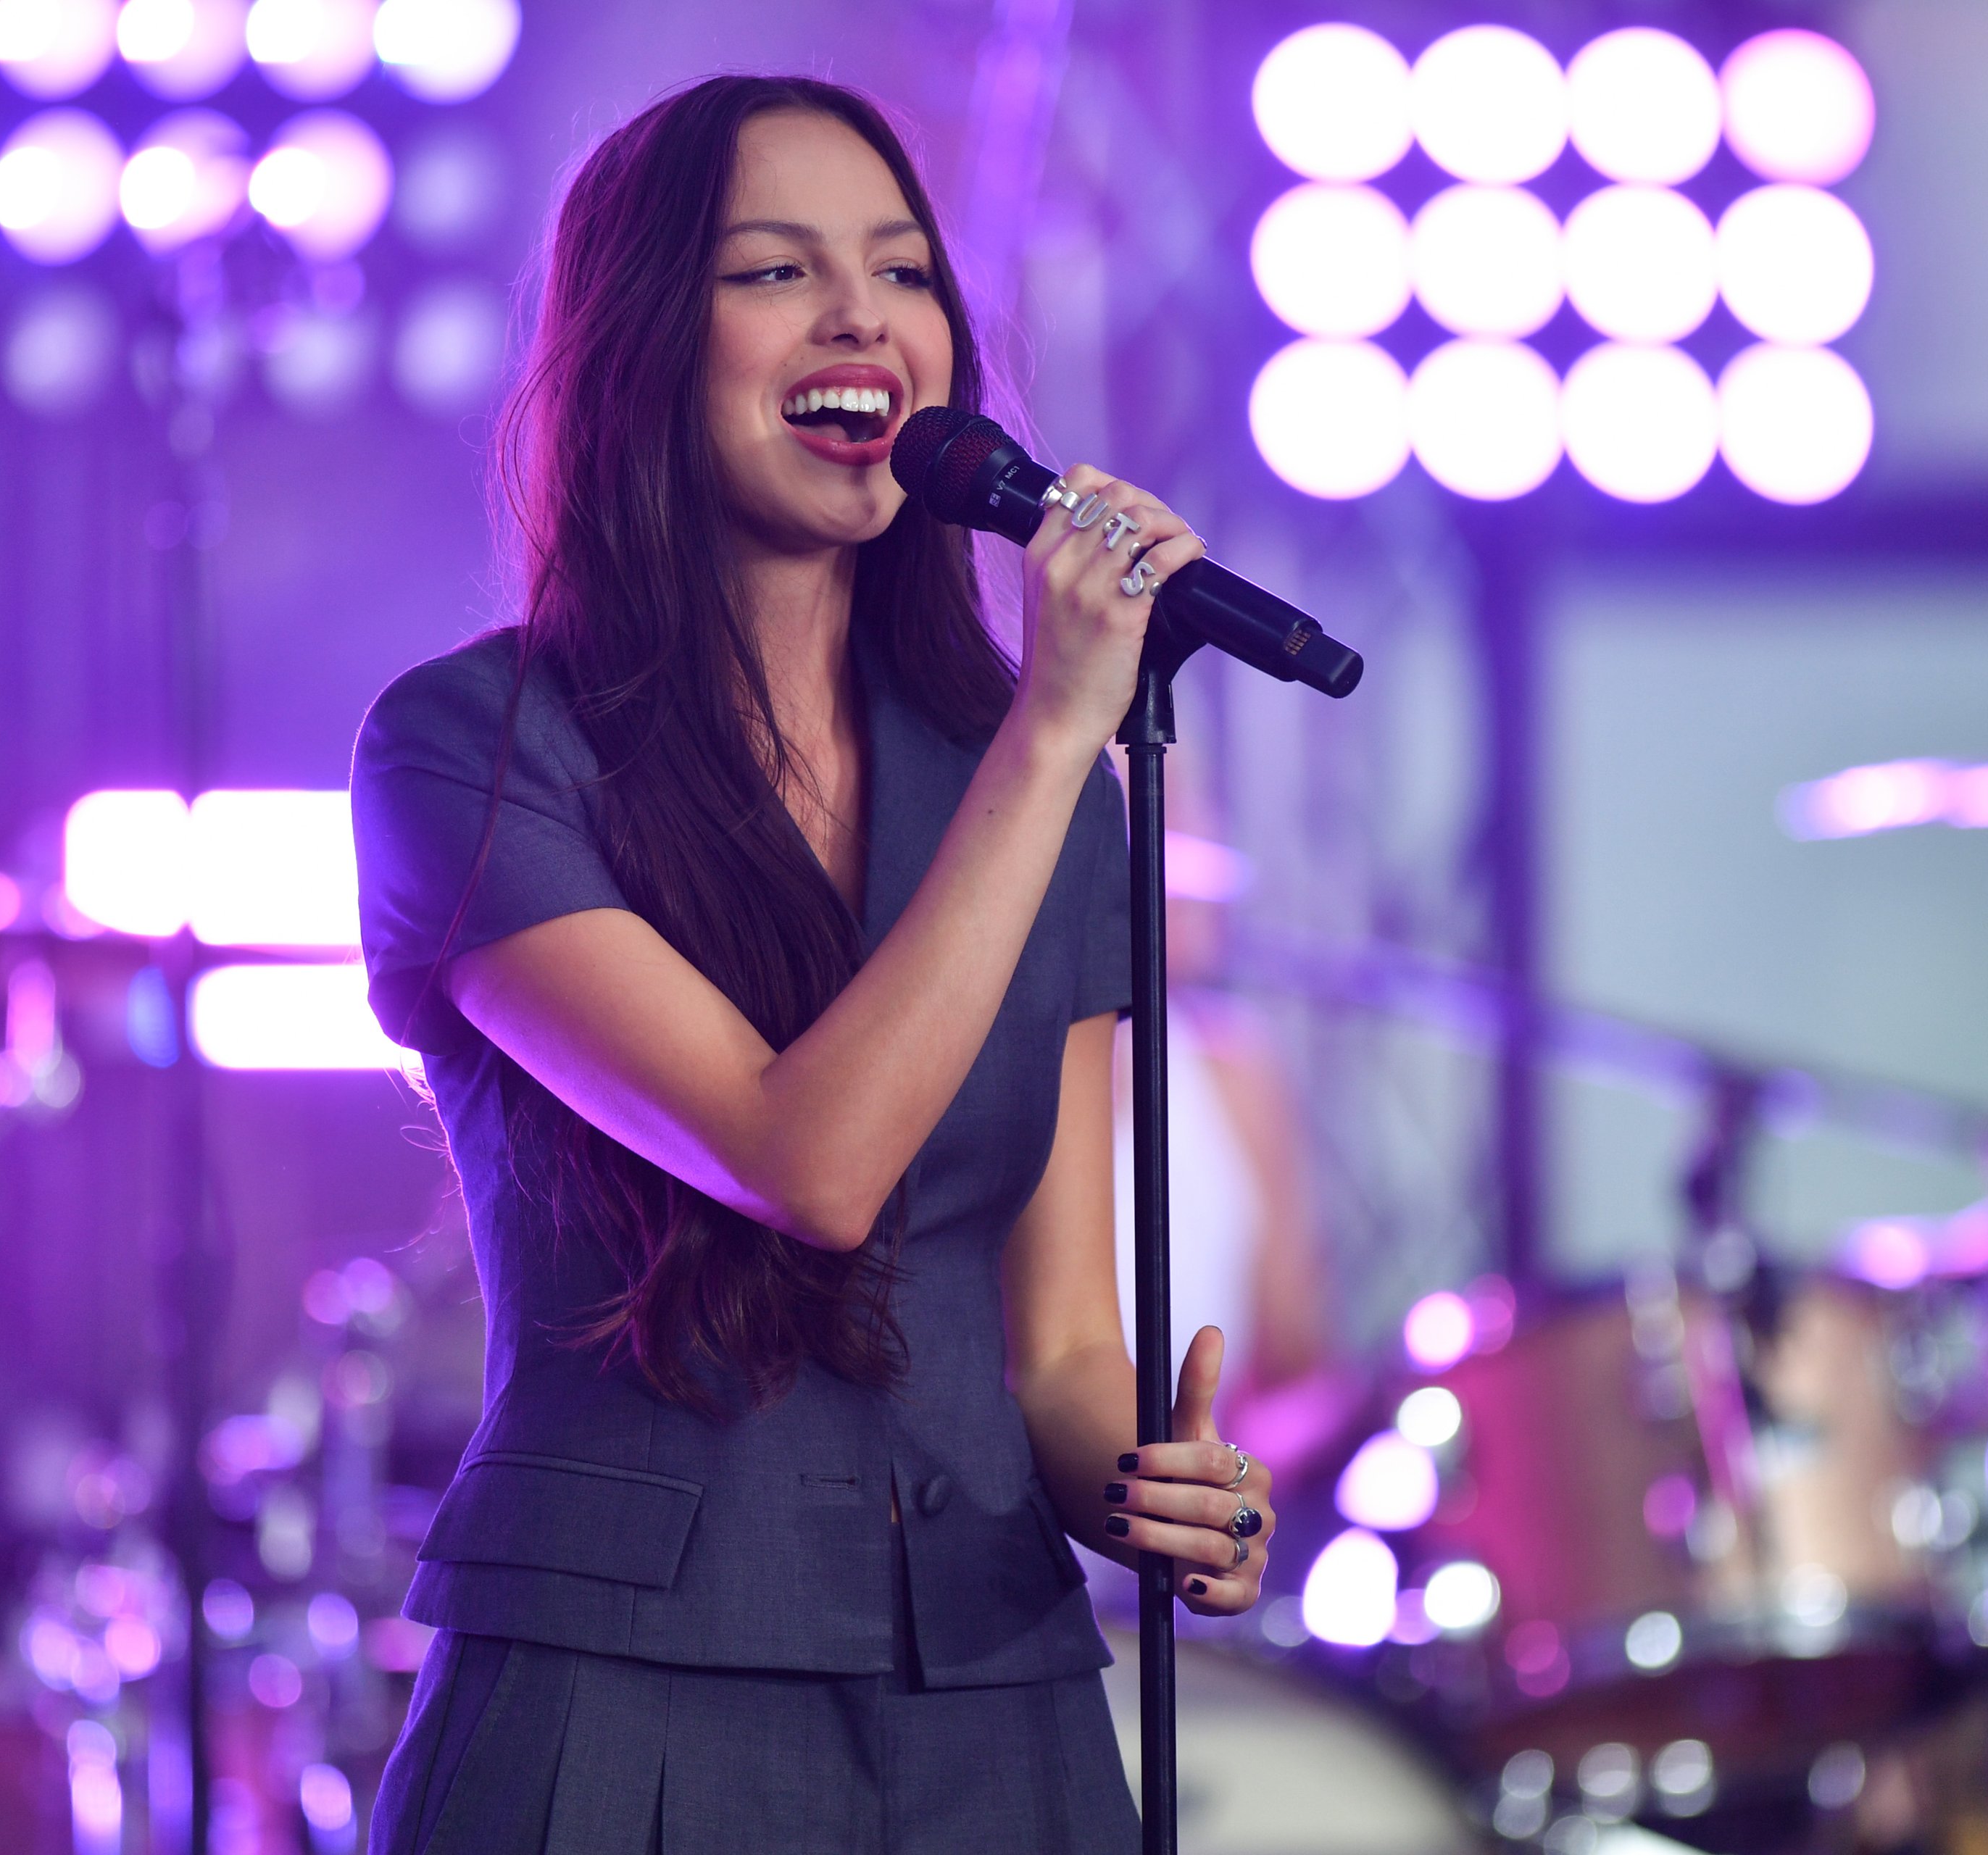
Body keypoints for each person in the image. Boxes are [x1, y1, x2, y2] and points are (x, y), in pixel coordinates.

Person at [349, 74, 1276, 1854]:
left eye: (904, 274)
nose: (863, 316)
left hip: (994, 1701)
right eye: (775, 273)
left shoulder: (1040, 798)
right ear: (640, 347)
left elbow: (1066, 1342)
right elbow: (805, 1159)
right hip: (621, 1689)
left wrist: (1167, 1497)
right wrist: (1054, 728)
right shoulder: (477, 746)